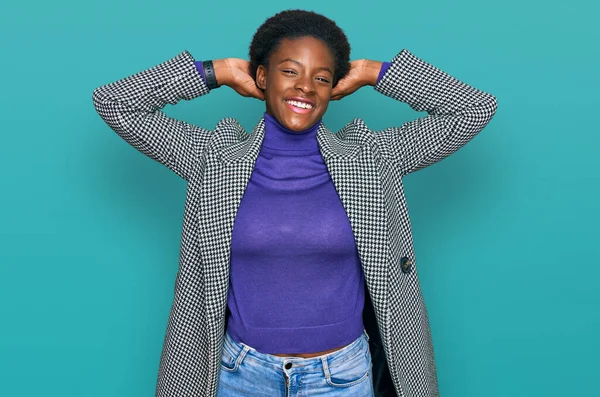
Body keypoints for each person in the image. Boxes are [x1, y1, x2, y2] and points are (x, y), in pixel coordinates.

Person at [92, 9, 497, 397]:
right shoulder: (212, 155)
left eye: (321, 77)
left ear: (334, 88)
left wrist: (374, 72)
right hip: (240, 374)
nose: (305, 86)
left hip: (341, 376)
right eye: (289, 71)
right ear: (262, 76)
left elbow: (474, 109)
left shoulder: (373, 156)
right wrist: (217, 71)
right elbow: (114, 103)